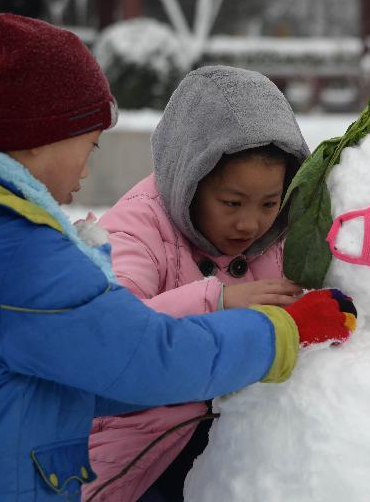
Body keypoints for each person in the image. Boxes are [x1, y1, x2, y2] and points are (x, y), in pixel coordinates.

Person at [0, 14, 357, 501]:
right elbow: (142, 358)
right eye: (89, 143)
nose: (87, 166)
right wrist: (280, 332)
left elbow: (86, 377)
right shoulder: (18, 249)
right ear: (43, 137)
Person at [85, 66, 312, 501]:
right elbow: (111, 335)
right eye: (231, 202)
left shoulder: (281, 234)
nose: (250, 223)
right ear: (188, 180)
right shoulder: (136, 229)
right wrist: (218, 300)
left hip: (240, 445)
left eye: (269, 202)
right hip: (142, 450)